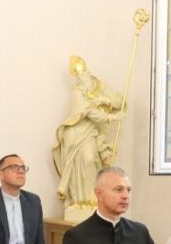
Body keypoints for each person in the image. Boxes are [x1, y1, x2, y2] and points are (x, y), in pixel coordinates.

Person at [51, 55, 124, 222]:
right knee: (81, 165)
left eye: (88, 75)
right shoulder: (77, 94)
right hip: (75, 134)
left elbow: (116, 101)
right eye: (85, 76)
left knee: (91, 161)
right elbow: (90, 112)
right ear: (79, 79)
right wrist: (112, 117)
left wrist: (108, 102)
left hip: (89, 132)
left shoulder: (91, 94)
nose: (88, 79)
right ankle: (80, 200)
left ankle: (91, 199)